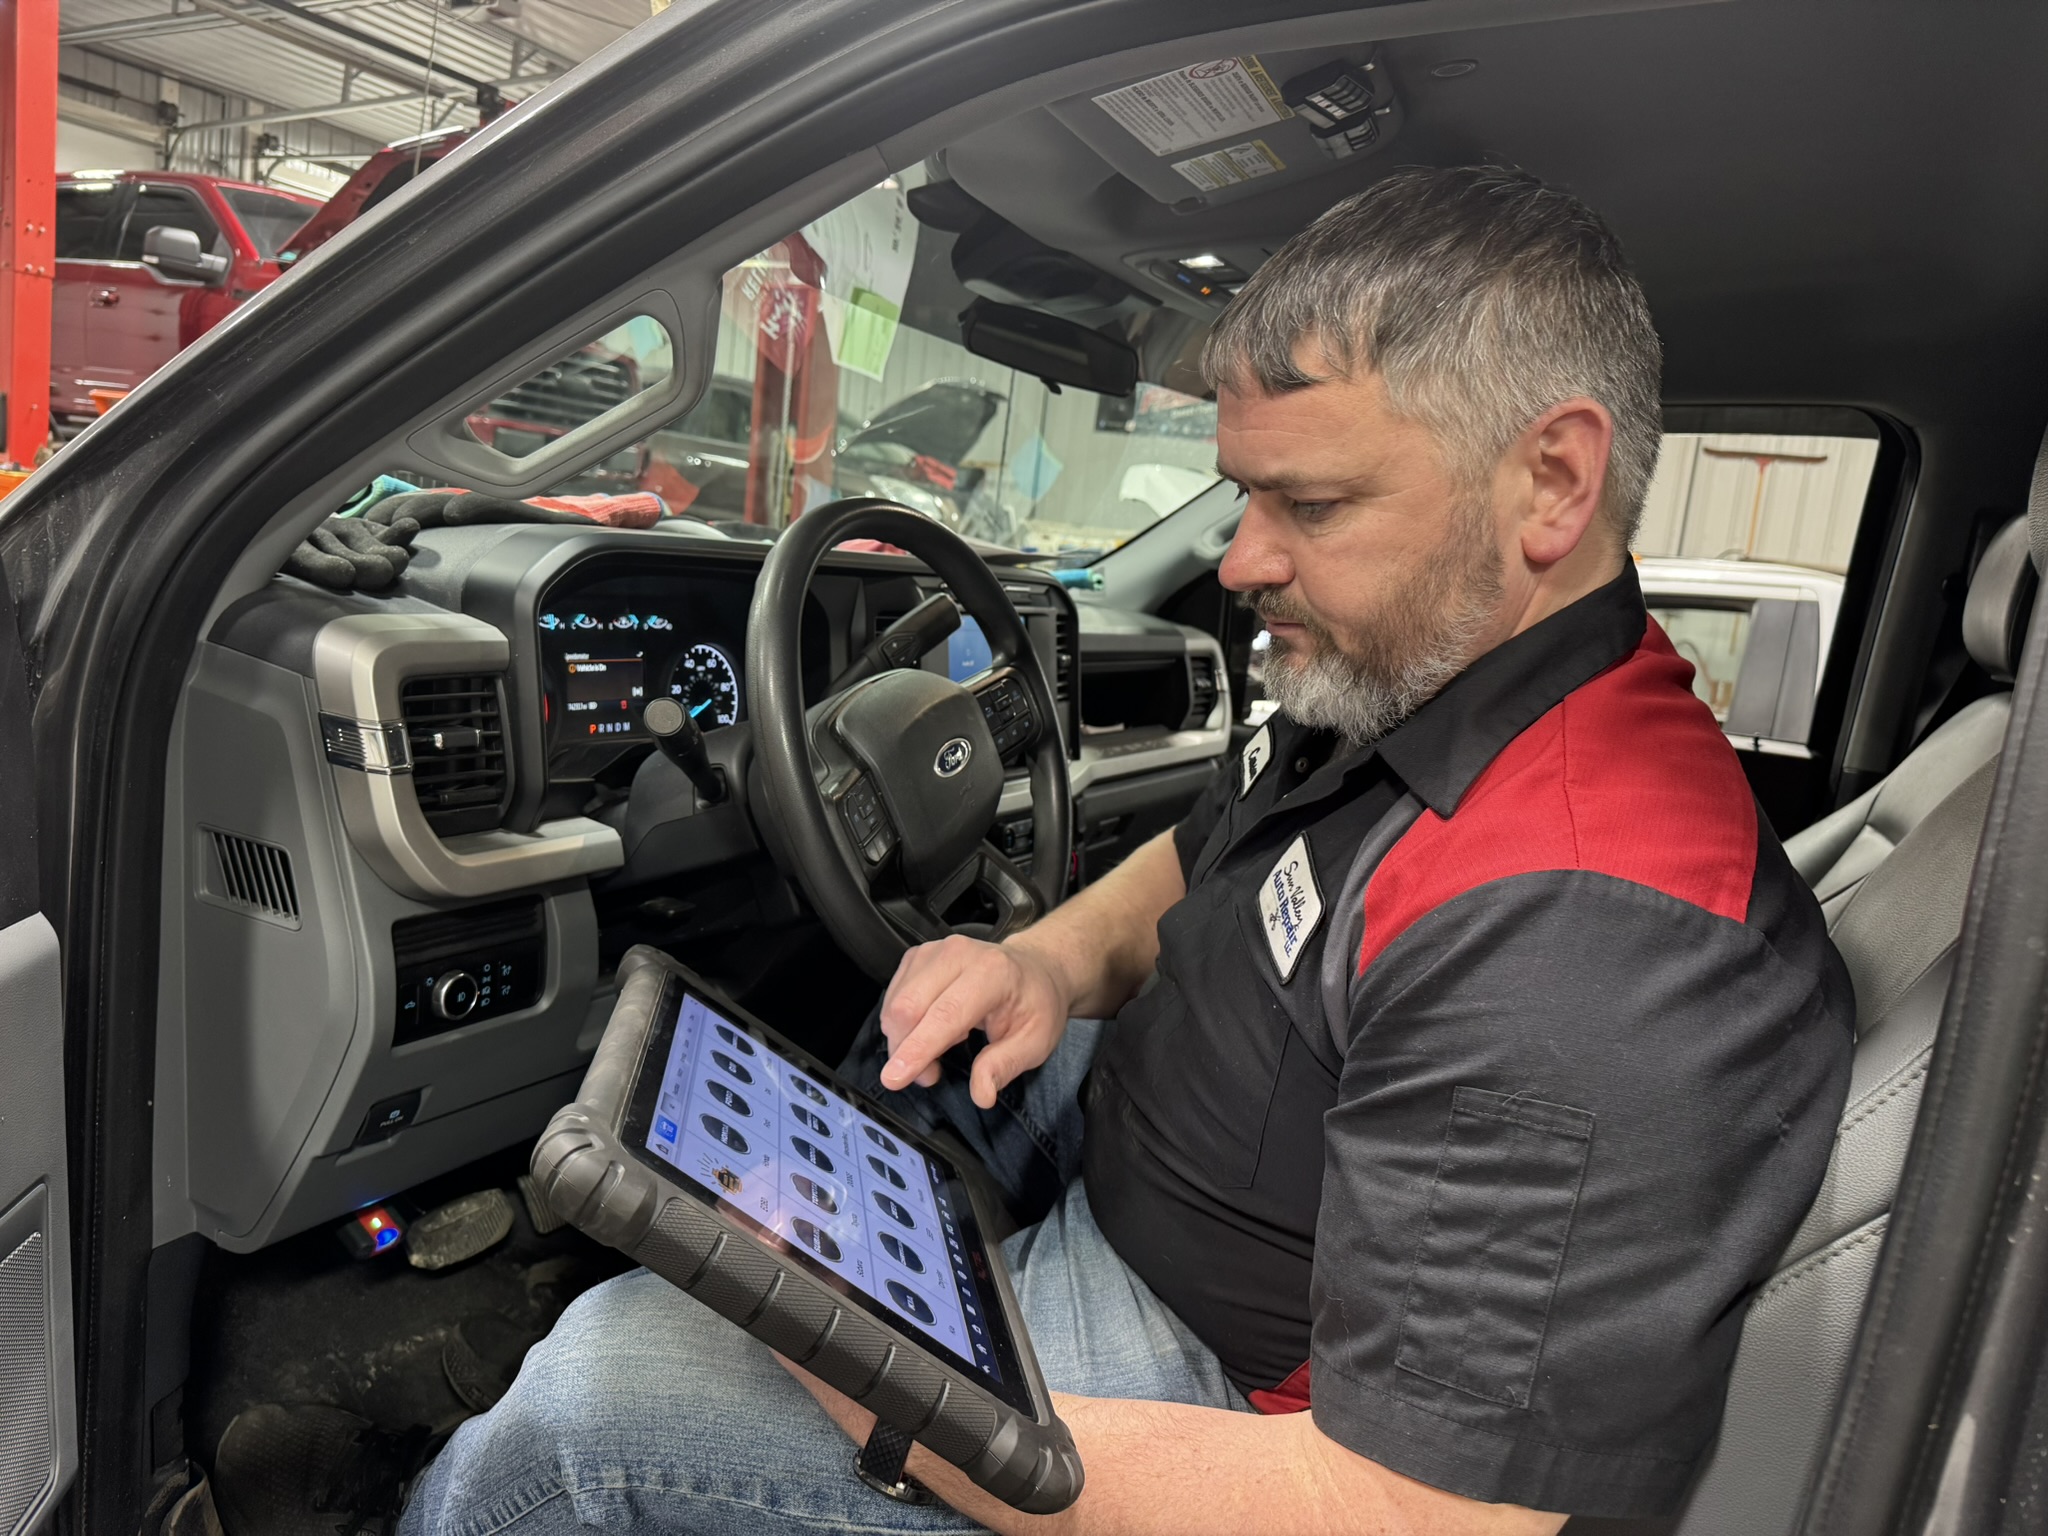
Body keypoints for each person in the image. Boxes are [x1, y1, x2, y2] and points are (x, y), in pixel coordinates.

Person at [218, 165, 1854, 1536]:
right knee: (881, 1070)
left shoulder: (1588, 931)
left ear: (1552, 482)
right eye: (1239, 498)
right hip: (1137, 1142)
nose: (1243, 564)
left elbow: (1404, 1515)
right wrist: (1044, 964)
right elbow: (1207, 857)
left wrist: (878, 1388)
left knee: (592, 1401)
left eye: (1309, 507)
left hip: (1208, 1379)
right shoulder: (1432, 672)